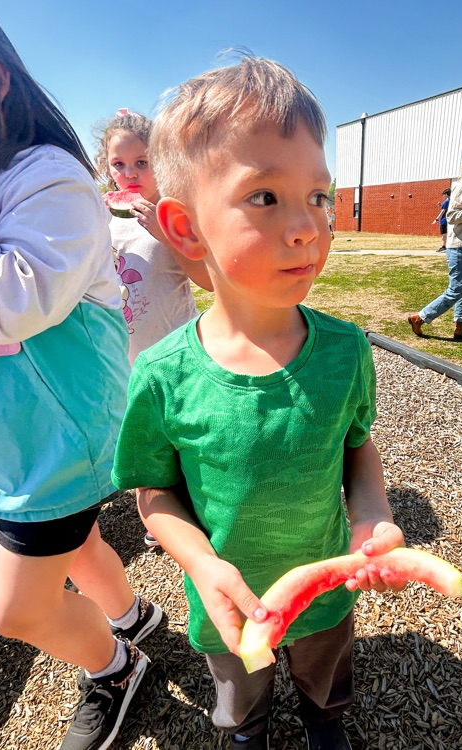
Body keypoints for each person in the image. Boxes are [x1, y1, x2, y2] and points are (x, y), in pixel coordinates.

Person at [111, 56, 407, 750]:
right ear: (186, 230)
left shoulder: (345, 352)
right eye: (266, 198)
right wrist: (202, 565)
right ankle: (246, 728)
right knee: (241, 694)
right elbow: (154, 494)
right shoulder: (162, 375)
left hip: (327, 592)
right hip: (226, 604)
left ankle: (323, 720)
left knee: (327, 678)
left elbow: (357, 447)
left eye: (319, 197)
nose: (307, 226)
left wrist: (373, 515)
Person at [0, 3, 161, 750]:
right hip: (7, 441)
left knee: (16, 612)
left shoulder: (46, 178)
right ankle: (132, 616)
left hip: (54, 443)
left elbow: (5, 304)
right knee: (80, 545)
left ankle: (117, 666)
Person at [95, 108, 212, 366]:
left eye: (141, 162)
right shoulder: (101, 216)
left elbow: (209, 281)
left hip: (175, 354)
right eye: (118, 165)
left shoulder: (177, 213)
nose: (130, 174)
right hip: (120, 358)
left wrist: (165, 235)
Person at [407, 142, 462, 340]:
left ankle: (461, 326)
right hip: (460, 245)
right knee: (456, 290)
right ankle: (420, 317)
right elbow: (452, 215)